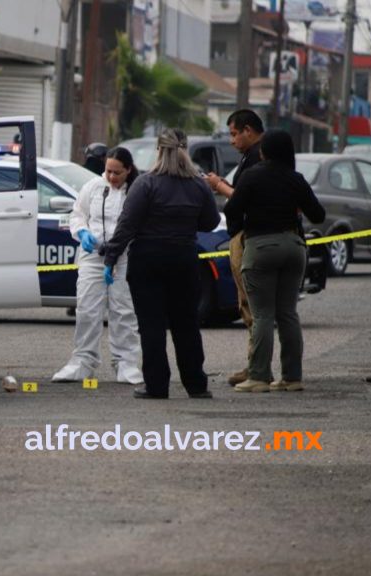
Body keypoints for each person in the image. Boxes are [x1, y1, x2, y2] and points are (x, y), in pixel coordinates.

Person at [101, 129, 221, 399]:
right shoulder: (198, 184)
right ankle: (196, 385)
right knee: (186, 324)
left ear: (159, 150)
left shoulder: (146, 183)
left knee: (151, 325)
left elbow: (127, 225)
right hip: (184, 259)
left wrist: (110, 258)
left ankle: (156, 385)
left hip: (148, 260)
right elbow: (211, 222)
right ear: (185, 150)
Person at [223, 130, 326, 392]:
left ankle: (258, 376)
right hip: (294, 247)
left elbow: (231, 210)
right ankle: (292, 377)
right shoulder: (296, 179)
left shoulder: (252, 176)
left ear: (263, 151)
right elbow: (318, 215)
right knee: (288, 313)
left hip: (261, 247)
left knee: (263, 315)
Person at [53, 147, 143, 385]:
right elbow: (78, 214)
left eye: (117, 173)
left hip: (124, 256)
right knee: (87, 308)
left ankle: (126, 362)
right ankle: (83, 360)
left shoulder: (136, 190)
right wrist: (82, 232)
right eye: (108, 171)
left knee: (123, 309)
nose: (111, 177)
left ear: (128, 170)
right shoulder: (93, 187)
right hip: (93, 255)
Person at [205, 109, 265, 386]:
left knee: (252, 306)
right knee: (253, 306)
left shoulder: (258, 157)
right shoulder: (253, 157)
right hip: (251, 235)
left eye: (233, 134)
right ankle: (256, 365)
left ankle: (258, 369)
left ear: (248, 130)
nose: (231, 141)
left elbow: (245, 198)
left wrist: (220, 186)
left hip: (249, 236)